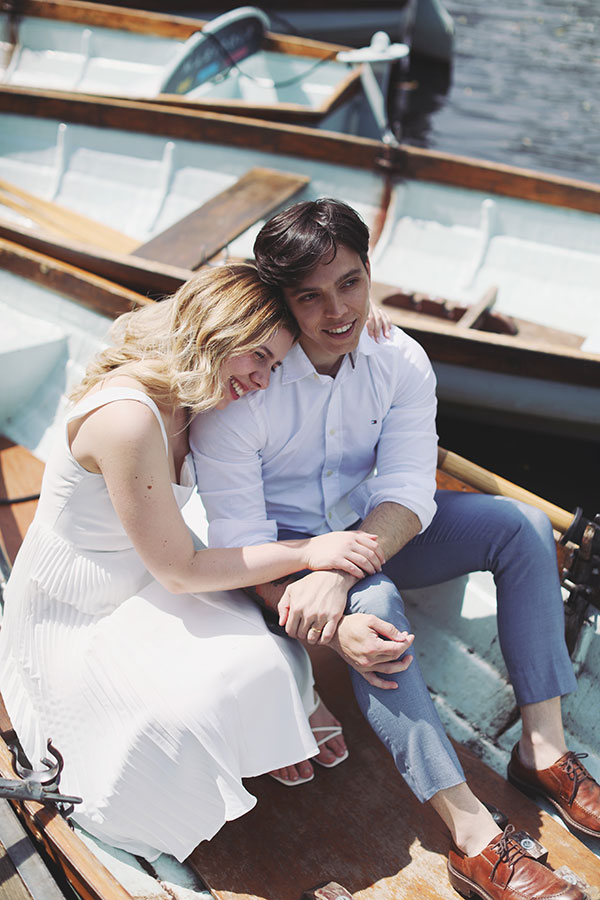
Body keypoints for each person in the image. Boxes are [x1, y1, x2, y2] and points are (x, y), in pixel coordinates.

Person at [191, 201, 600, 900]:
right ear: (280, 301)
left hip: (370, 537)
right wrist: (317, 584)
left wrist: (345, 563)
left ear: (369, 272)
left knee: (523, 525)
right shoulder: (242, 390)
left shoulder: (398, 358)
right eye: (310, 297)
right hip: (280, 563)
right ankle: (473, 839)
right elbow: (240, 548)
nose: (338, 311)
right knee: (375, 606)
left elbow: (411, 489)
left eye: (351, 283)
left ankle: (544, 750)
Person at [0, 263, 386, 863]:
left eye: (273, 365)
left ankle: (274, 718)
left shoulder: (198, 390)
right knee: (208, 698)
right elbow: (181, 570)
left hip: (149, 573)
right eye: (255, 357)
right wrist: (310, 551)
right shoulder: (128, 418)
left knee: (266, 660)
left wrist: (360, 325)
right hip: (82, 606)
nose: (261, 380)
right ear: (214, 335)